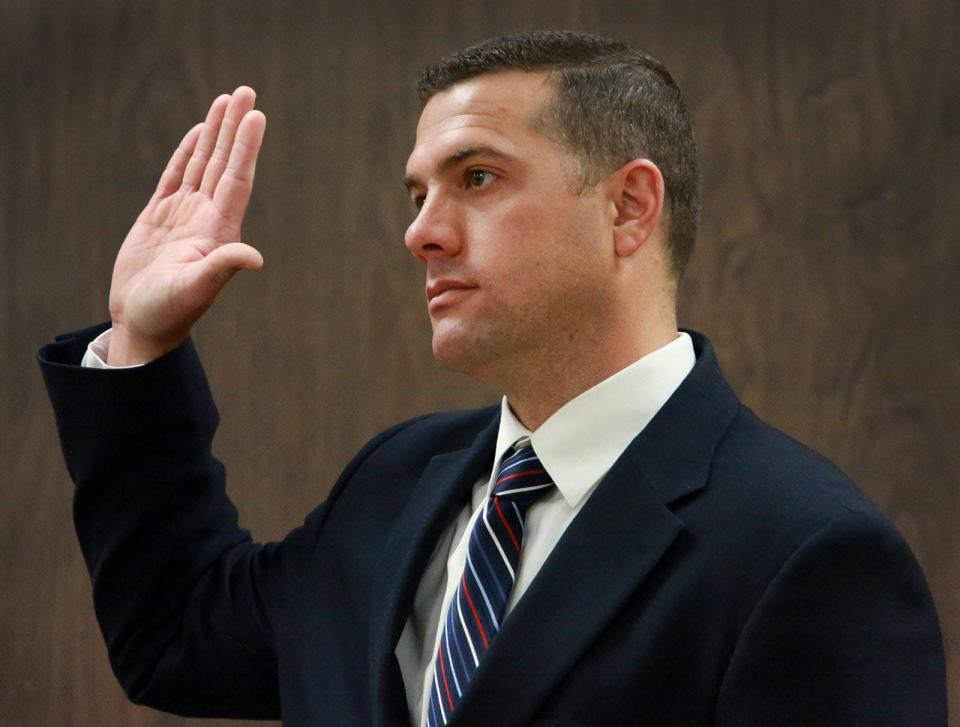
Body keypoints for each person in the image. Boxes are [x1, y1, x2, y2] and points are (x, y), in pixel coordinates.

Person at [39, 30, 946, 726]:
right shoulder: (393, 484)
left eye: (477, 177)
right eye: (418, 193)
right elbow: (174, 634)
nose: (422, 232)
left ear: (629, 207)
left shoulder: (809, 551)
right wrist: (140, 344)